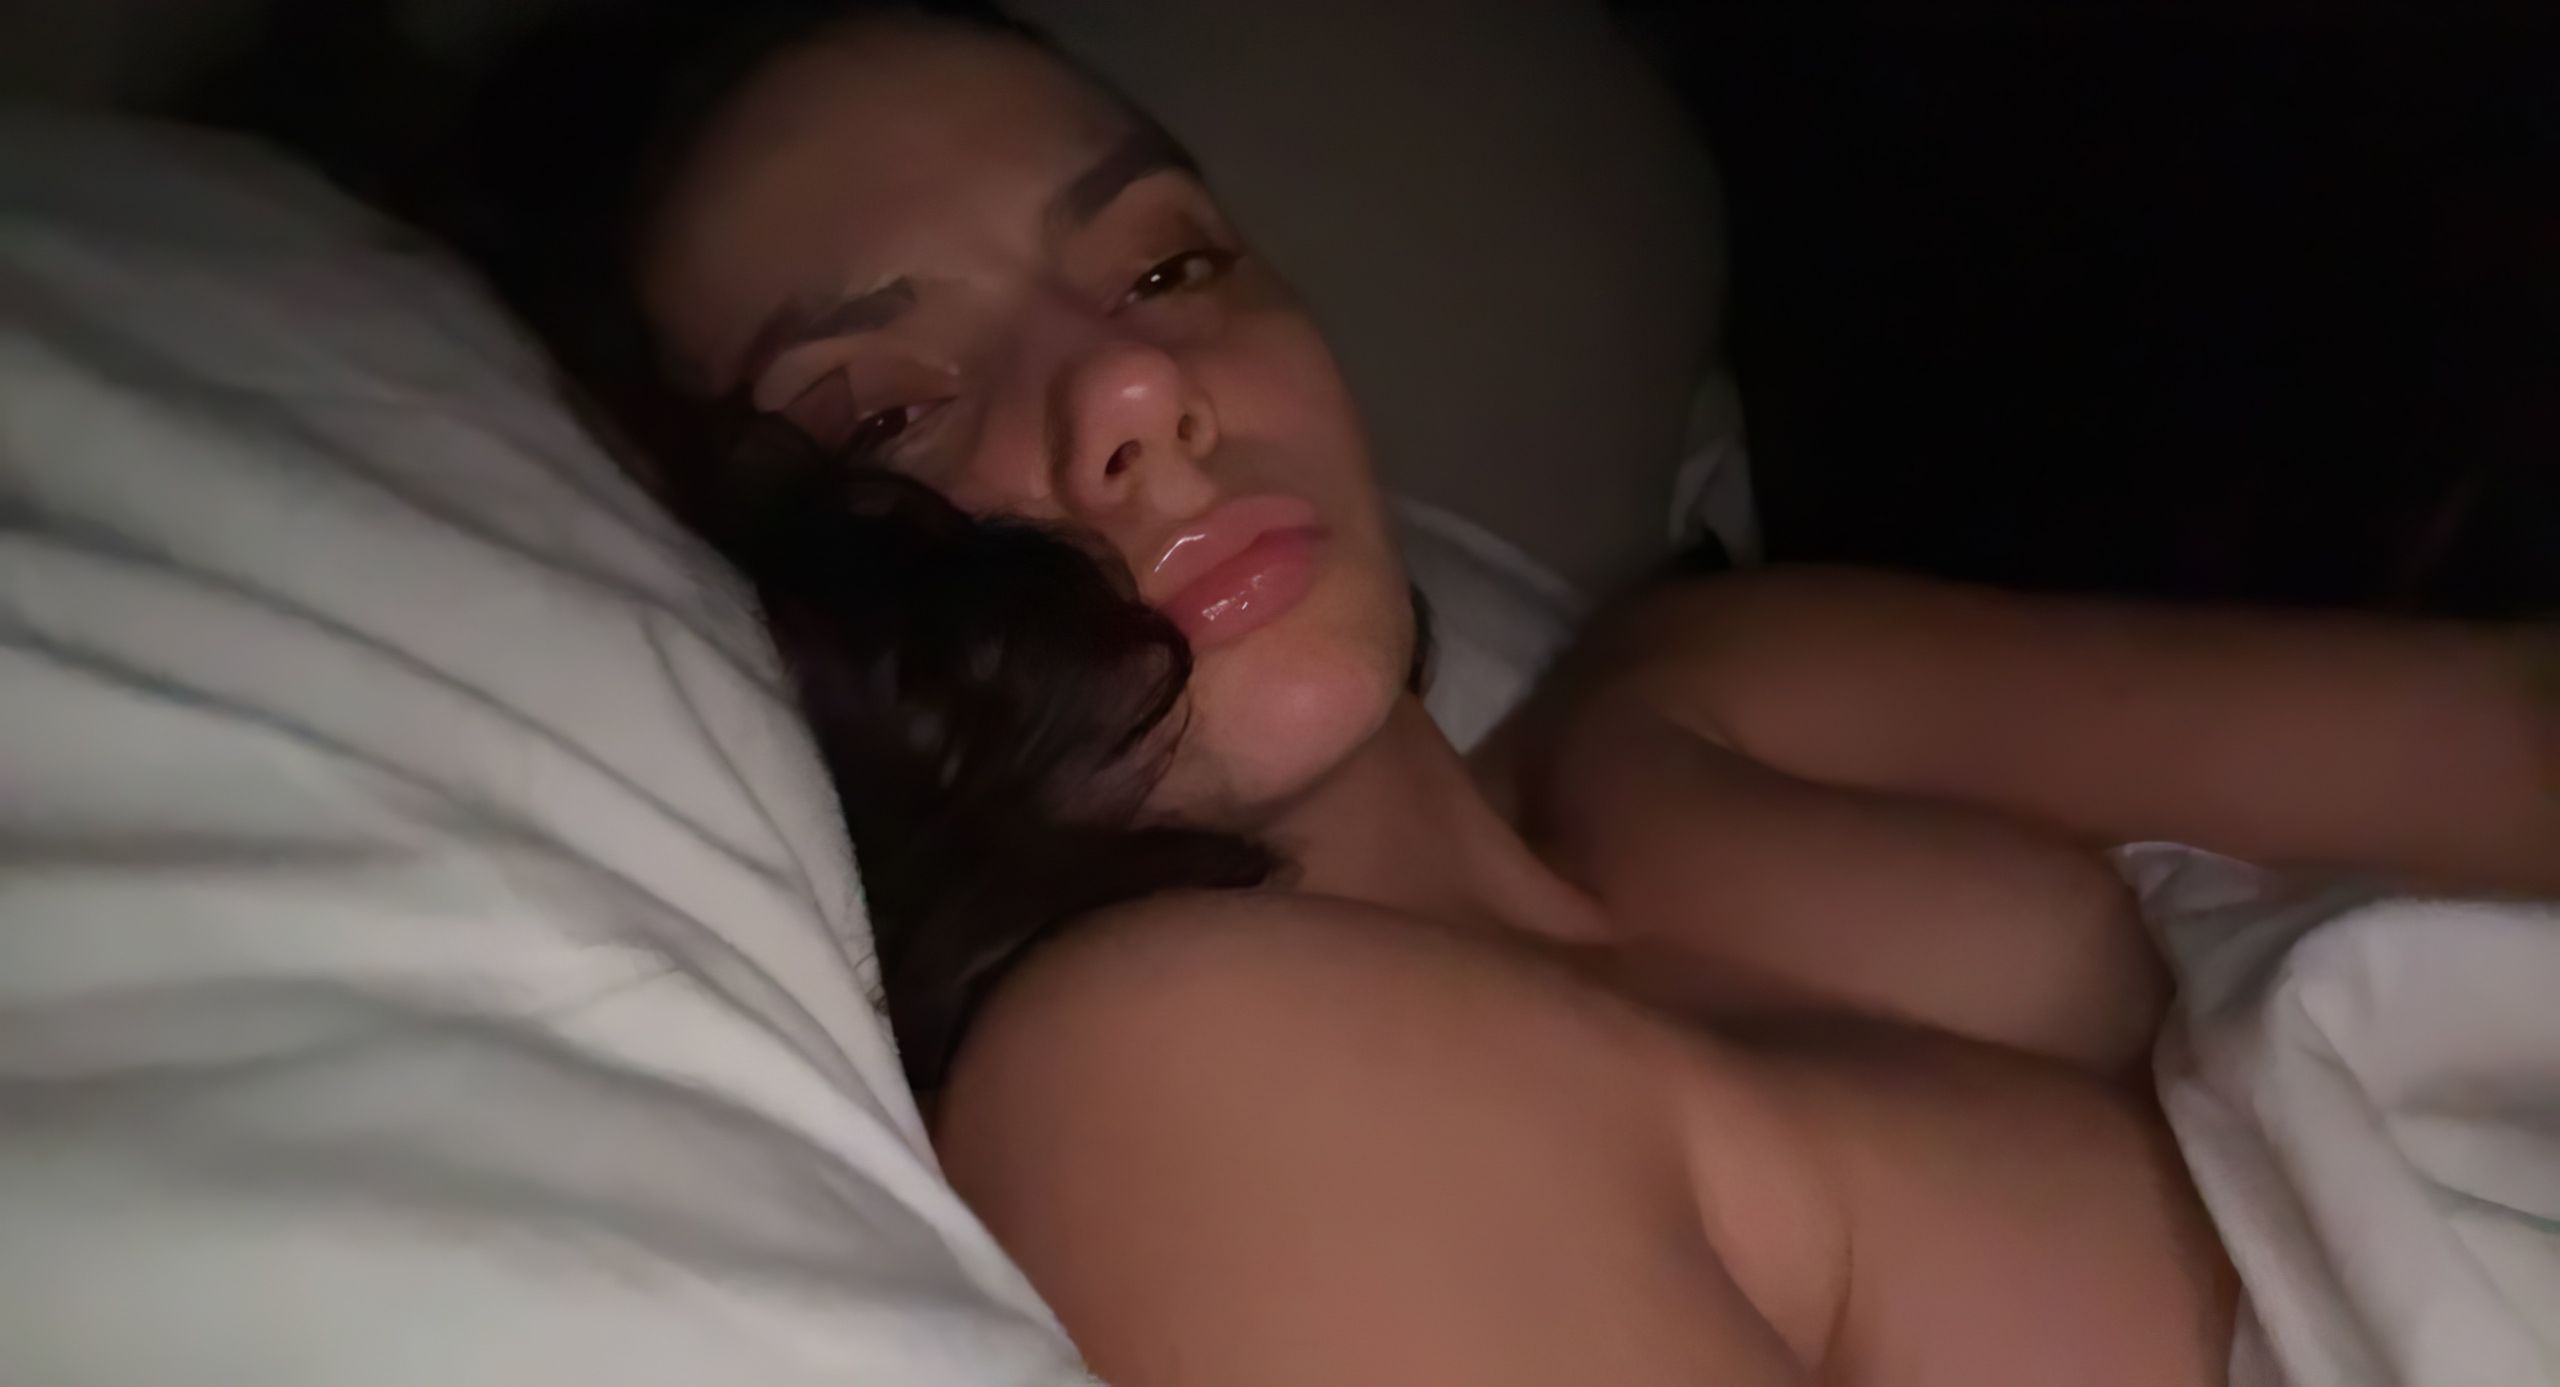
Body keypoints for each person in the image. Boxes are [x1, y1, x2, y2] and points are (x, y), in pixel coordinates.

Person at [427, 4, 2560, 1382]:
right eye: (889, 409)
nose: (1138, 384)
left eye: (1165, 261)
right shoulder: (1186, 1092)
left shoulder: (1724, 695)